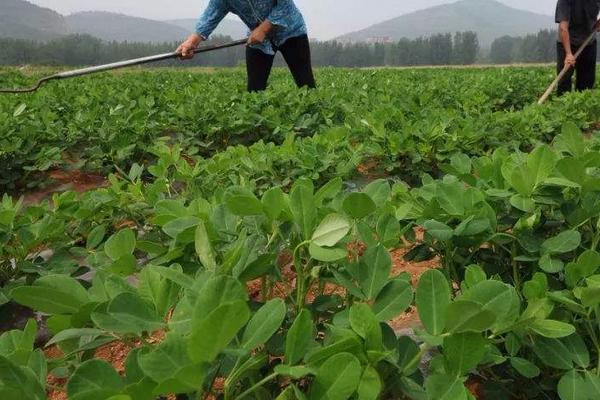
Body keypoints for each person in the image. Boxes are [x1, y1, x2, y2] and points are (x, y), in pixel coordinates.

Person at [177, 0, 316, 92]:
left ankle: (314, 128)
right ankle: (257, 131)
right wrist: (192, 41)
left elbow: (286, 5)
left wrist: (263, 29)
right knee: (254, 91)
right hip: (258, 40)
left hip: (291, 31)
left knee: (306, 85)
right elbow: (211, 14)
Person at [555, 0, 600, 96]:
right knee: (564, 80)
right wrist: (568, 54)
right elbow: (563, 28)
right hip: (566, 40)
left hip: (588, 40)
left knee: (586, 83)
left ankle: (583, 108)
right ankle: (562, 108)